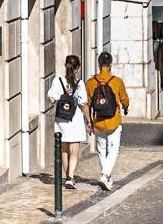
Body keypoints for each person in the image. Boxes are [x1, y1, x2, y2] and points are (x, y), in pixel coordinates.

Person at [86, 51, 130, 191]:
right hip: (113, 120)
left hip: (98, 120)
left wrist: (88, 122)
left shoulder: (91, 82)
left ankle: (107, 178)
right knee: (113, 149)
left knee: (101, 149)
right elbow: (124, 99)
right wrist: (126, 107)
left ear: (99, 65)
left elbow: (86, 103)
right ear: (110, 65)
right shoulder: (117, 81)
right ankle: (105, 175)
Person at [47, 55, 91, 189]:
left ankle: (67, 177)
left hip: (61, 119)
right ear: (77, 68)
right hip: (75, 119)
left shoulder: (57, 81)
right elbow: (83, 104)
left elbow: (52, 99)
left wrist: (61, 97)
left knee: (64, 150)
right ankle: (70, 177)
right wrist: (89, 121)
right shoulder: (80, 83)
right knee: (74, 150)